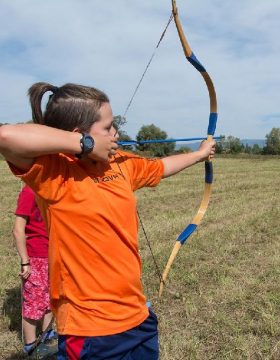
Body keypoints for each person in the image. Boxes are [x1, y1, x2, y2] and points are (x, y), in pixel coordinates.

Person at [0, 82, 216, 359]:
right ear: (79, 135)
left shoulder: (119, 163)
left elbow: (160, 167)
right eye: (107, 127)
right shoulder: (54, 173)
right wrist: (86, 145)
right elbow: (6, 136)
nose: (116, 133)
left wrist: (198, 155)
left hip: (137, 317)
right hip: (89, 328)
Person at [13, 185, 57, 356]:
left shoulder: (55, 189)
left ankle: (47, 335)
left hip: (55, 254)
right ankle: (31, 346)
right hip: (36, 256)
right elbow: (18, 230)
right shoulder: (30, 191)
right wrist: (25, 261)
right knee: (34, 302)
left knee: (51, 297)